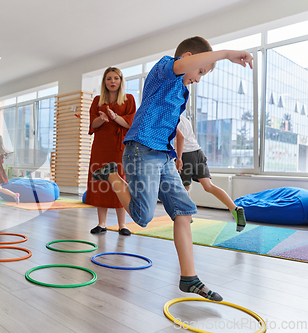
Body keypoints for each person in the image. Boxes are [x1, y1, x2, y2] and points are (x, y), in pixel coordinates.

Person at [92, 36, 253, 301]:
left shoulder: (182, 90)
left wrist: (177, 156)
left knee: (184, 211)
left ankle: (189, 278)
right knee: (142, 217)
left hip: (164, 156)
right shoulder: (164, 70)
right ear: (188, 58)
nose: (199, 78)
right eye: (200, 71)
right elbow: (184, 65)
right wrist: (224, 54)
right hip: (141, 149)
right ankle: (110, 173)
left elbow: (174, 127)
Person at [86, 67, 136, 235]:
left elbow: (130, 123)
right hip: (101, 147)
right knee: (101, 181)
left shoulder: (129, 99)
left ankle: (122, 225)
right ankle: (102, 223)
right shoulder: (97, 100)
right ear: (104, 82)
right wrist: (101, 119)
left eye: (116, 78)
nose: (112, 81)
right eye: (109, 78)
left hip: (120, 148)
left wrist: (115, 118)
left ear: (121, 81)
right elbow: (92, 125)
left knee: (120, 182)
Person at [175, 114, 246, 231]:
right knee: (209, 186)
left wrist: (179, 158)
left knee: (184, 188)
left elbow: (180, 138)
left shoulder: (172, 117)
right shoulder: (185, 119)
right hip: (198, 153)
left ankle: (188, 216)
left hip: (185, 155)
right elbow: (191, 137)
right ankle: (235, 209)